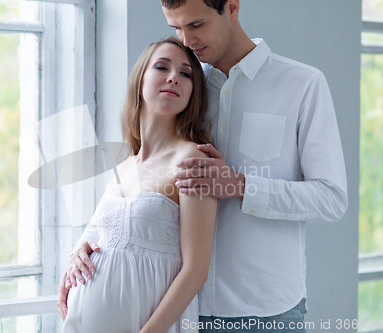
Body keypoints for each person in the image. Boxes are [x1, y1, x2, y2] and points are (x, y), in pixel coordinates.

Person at [59, 1, 349, 332]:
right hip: (179, 310)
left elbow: (331, 198)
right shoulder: (185, 85)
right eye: (176, 28)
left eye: (196, 25)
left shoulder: (302, 85)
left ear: (232, 7)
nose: (187, 40)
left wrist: (241, 186)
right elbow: (143, 180)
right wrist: (95, 241)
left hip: (264, 312)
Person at [59, 36, 218, 333]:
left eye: (185, 73)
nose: (174, 76)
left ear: (192, 92)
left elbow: (196, 270)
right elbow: (99, 232)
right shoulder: (126, 165)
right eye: (162, 67)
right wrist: (78, 252)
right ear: (140, 80)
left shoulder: (193, 160)